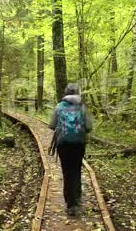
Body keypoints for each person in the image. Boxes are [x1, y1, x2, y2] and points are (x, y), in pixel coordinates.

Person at [49, 83, 93, 216]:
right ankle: (78, 196)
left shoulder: (59, 106)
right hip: (79, 143)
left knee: (67, 172)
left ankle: (70, 204)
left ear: (66, 92)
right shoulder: (82, 107)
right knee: (76, 169)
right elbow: (89, 127)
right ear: (77, 92)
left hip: (63, 144)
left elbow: (51, 125)